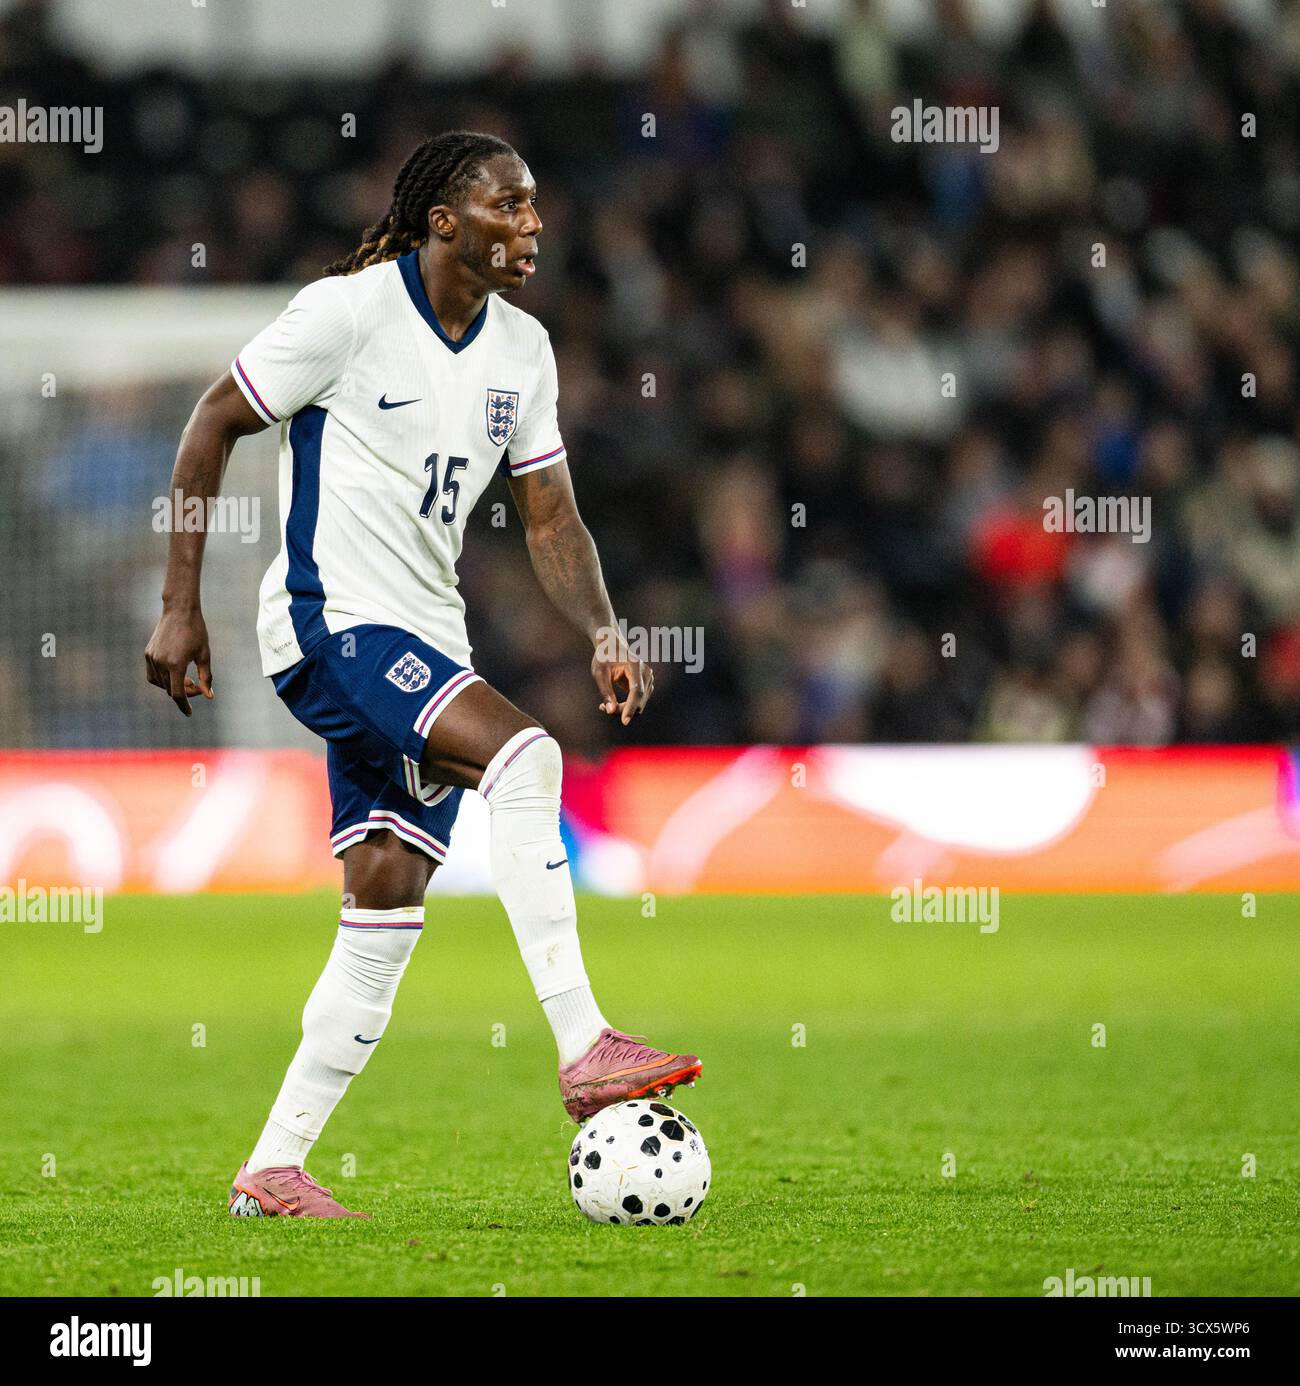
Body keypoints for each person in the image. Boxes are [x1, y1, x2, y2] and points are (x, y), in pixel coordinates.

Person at [144, 130, 701, 1219]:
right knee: (528, 759)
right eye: (509, 206)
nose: (531, 225)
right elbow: (213, 421)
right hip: (330, 628)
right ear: (444, 220)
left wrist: (600, 627)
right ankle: (584, 1042)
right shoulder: (345, 316)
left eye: (536, 207)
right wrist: (179, 606)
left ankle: (272, 1169)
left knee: (387, 898)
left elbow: (550, 516)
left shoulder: (523, 353)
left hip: (425, 639)